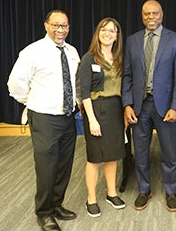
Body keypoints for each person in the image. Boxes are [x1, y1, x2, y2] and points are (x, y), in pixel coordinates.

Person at [8, 10, 80, 231]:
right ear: (46, 25)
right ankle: (44, 213)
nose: (61, 30)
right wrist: (34, 102)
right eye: (56, 25)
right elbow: (15, 84)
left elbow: (75, 81)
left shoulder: (72, 51)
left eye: (64, 26)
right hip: (43, 117)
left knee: (64, 164)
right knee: (46, 167)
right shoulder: (32, 52)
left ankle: (56, 204)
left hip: (68, 116)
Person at [122, 0, 176, 212]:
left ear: (162, 14)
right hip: (139, 107)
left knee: (169, 152)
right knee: (140, 153)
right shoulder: (132, 41)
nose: (151, 17)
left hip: (166, 106)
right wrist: (127, 104)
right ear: (142, 16)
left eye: (155, 13)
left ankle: (170, 191)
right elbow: (128, 76)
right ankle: (144, 190)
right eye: (147, 14)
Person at [78, 18, 126, 217]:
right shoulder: (89, 58)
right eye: (104, 29)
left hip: (116, 109)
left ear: (117, 36)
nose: (108, 33)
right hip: (96, 110)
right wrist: (92, 119)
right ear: (98, 32)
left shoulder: (119, 57)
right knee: (95, 158)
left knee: (113, 155)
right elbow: (85, 93)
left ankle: (111, 193)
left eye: (112, 31)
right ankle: (91, 198)